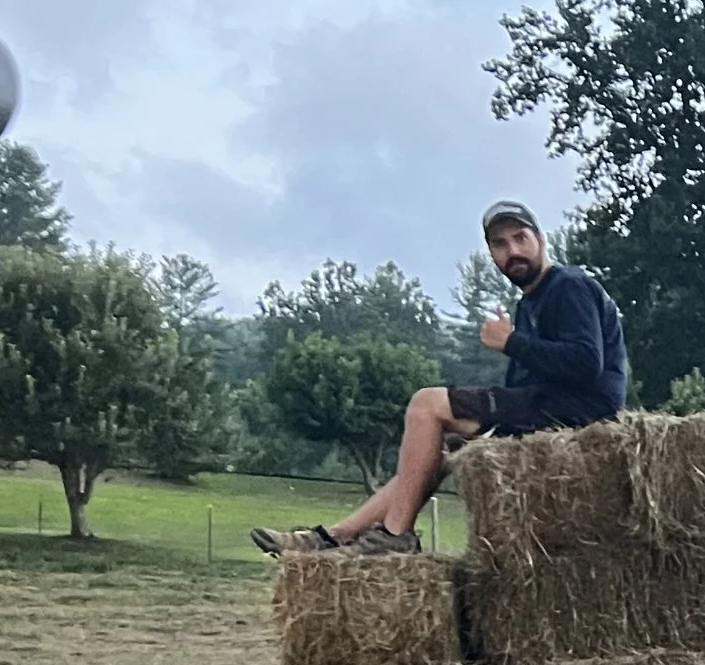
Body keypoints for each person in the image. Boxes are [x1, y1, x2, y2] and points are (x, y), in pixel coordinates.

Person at [252, 200, 627, 556]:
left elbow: (585, 363)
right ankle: (333, 537)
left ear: (540, 240)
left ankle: (396, 536)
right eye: (500, 244)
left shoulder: (568, 286)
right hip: (546, 408)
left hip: (579, 413)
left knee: (426, 404)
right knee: (433, 451)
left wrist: (511, 341)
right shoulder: (531, 302)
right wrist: (482, 430)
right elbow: (526, 385)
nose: (511, 250)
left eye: (520, 238)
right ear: (491, 255)